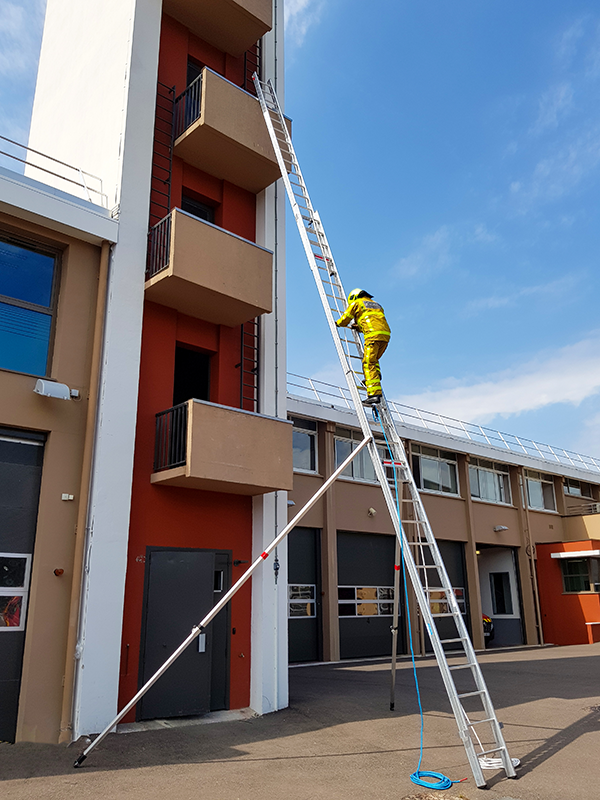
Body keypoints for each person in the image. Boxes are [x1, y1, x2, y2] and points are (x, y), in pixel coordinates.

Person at [335, 288, 391, 405]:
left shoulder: (357, 303)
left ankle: (374, 394)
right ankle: (375, 375)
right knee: (373, 359)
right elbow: (372, 321)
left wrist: (338, 323)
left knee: (368, 363)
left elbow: (346, 317)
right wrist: (358, 327)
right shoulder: (376, 305)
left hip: (372, 336)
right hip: (385, 336)